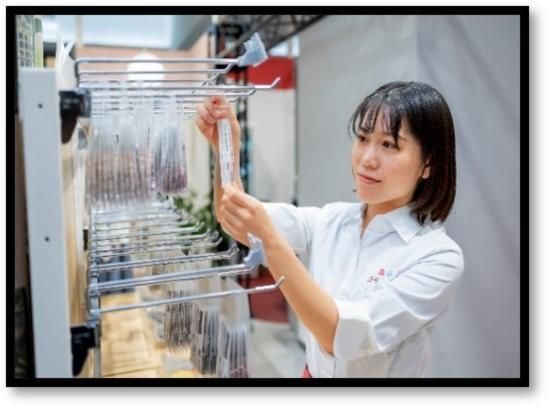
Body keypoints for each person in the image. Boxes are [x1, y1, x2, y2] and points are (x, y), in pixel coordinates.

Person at [195, 81, 464, 378]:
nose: (367, 159)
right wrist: (226, 147)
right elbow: (233, 218)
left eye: (388, 144)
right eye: (363, 138)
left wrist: (270, 242)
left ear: (428, 163)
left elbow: (341, 335)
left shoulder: (438, 257)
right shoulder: (333, 219)